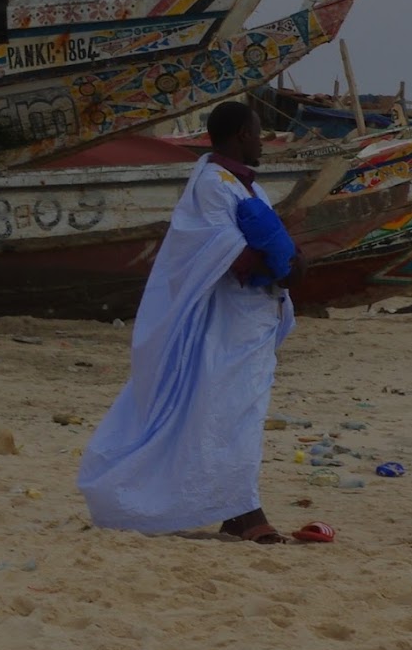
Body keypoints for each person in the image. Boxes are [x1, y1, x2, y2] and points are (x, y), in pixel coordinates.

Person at [78, 101, 307, 543]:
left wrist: (293, 260)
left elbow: (270, 238)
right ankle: (246, 513)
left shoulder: (246, 185)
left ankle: (235, 510)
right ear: (241, 134)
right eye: (258, 132)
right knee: (228, 411)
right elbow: (220, 248)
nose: (263, 142)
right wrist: (281, 267)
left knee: (238, 412)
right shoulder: (212, 185)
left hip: (250, 320)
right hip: (225, 321)